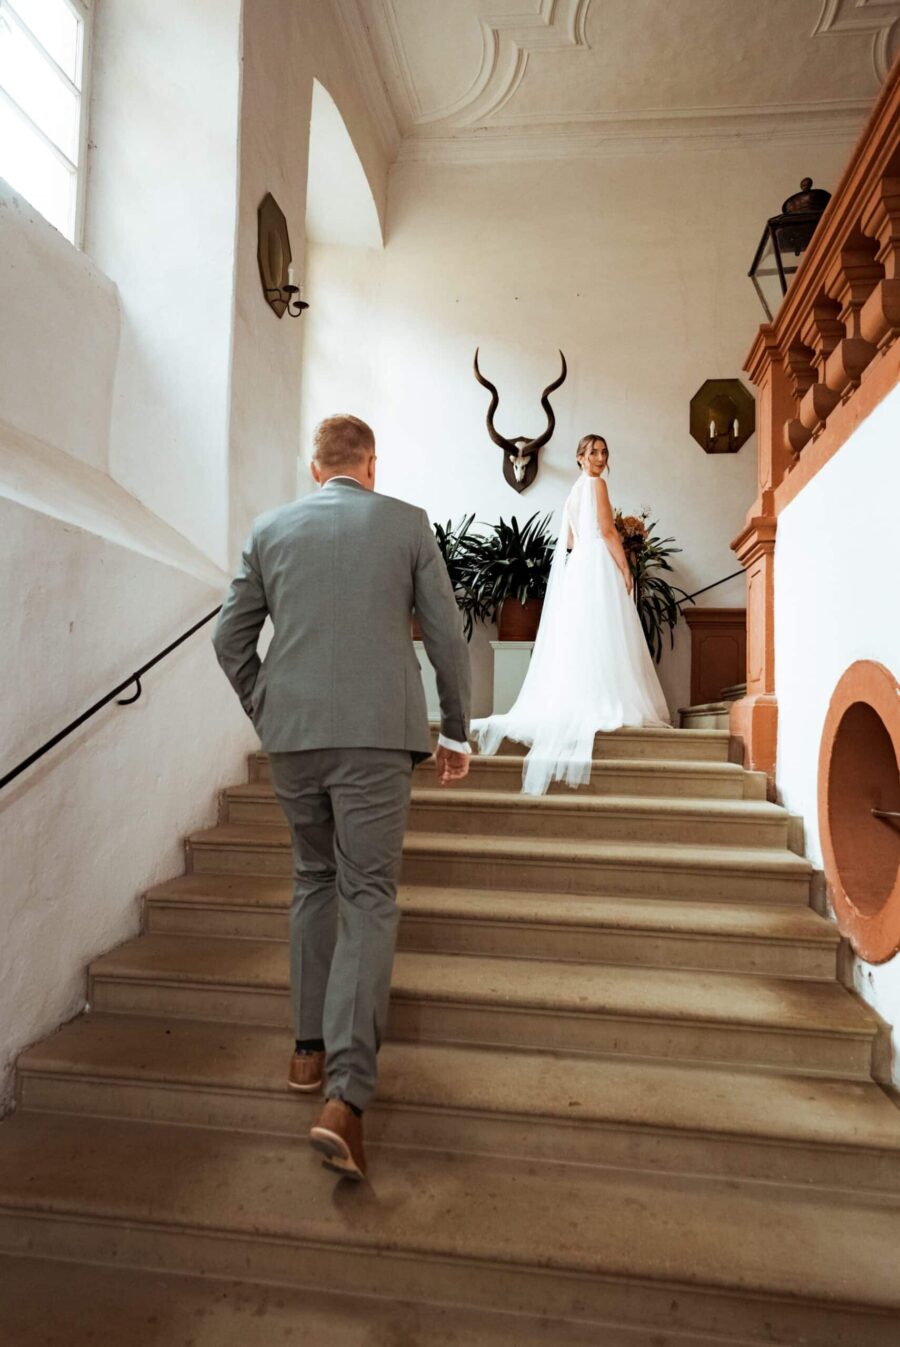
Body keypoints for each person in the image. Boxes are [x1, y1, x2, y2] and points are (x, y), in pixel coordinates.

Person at [212, 414, 471, 1181]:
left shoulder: (270, 529)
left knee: (312, 880)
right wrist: (456, 730)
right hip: (374, 738)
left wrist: (270, 708)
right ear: (370, 464)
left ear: (316, 467)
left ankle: (305, 1052)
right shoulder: (406, 523)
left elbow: (231, 639)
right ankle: (346, 1098)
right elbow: (446, 635)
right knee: (366, 892)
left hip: (293, 738)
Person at [471, 434, 670, 795]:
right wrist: (625, 569)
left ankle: (582, 694)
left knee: (584, 634)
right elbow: (608, 532)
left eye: (604, 451)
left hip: (580, 568)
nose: (599, 456)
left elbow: (571, 542)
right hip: (598, 565)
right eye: (592, 451)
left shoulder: (574, 492)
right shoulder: (597, 484)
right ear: (579, 457)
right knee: (605, 632)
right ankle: (606, 697)